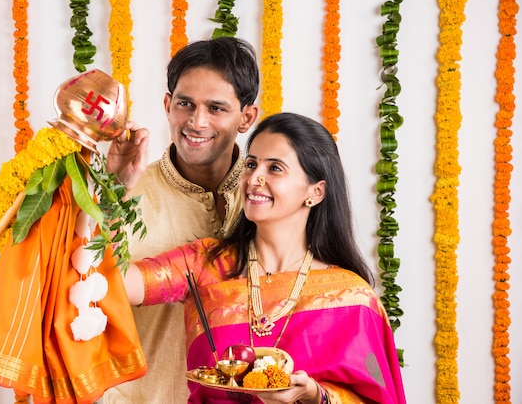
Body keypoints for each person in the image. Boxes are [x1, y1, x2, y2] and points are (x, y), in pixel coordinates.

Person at [105, 112, 406, 403]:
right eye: (251, 164)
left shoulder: (350, 298)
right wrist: (114, 187)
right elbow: (109, 282)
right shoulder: (205, 263)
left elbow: (377, 397)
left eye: (274, 168)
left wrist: (315, 395)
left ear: (315, 192)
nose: (253, 179)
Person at [102, 37, 260, 403]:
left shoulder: (267, 197)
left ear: (247, 117)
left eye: (216, 108)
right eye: (185, 103)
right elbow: (77, 288)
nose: (196, 121)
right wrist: (110, 194)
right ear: (167, 104)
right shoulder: (124, 189)